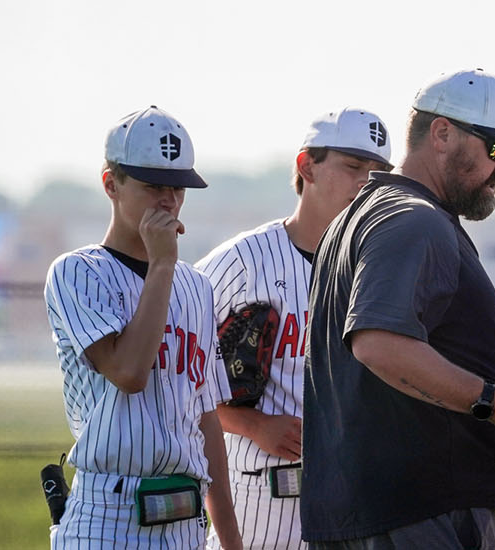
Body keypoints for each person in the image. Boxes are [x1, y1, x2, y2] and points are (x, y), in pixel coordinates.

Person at [299, 69, 495, 549]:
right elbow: (378, 342)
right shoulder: (414, 220)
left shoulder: (368, 214)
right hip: (416, 518)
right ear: (441, 134)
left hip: (380, 512)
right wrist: (491, 402)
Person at [44, 106, 242, 549]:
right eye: (153, 185)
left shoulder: (197, 287)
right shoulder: (78, 272)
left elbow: (206, 418)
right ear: (111, 184)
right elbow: (129, 373)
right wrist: (163, 264)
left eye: (178, 187)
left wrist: (229, 539)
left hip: (185, 521)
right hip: (107, 516)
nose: (168, 200)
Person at [196, 108, 393, 550]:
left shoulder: (378, 266)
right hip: (261, 494)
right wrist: (251, 422)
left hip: (353, 495)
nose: (367, 182)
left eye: (379, 172)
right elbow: (171, 371)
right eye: (353, 166)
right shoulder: (244, 262)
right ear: (307, 166)